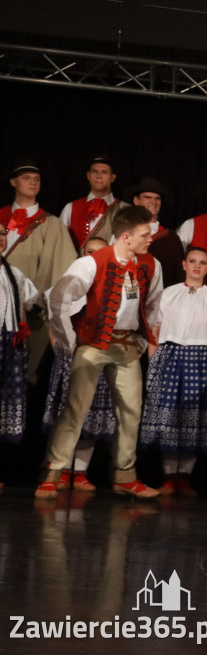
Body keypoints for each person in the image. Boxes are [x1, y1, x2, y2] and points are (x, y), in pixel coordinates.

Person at [37, 205, 164, 499]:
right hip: (93, 343)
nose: (150, 239)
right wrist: (70, 340)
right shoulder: (92, 263)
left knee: (131, 411)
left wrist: (142, 339)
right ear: (125, 236)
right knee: (76, 409)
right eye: (145, 234)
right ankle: (53, 472)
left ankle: (125, 476)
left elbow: (154, 305)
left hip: (125, 345)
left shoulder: (151, 264)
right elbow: (59, 299)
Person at [139, 247, 207, 496]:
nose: (197, 266)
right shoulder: (167, 295)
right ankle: (169, 477)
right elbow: (155, 335)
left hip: (203, 360)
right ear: (184, 264)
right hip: (171, 357)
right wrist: (153, 365)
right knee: (171, 418)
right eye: (192, 261)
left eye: (202, 263)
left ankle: (185, 478)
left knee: (194, 419)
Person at [41, 237, 118, 492]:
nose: (94, 257)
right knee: (67, 412)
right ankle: (59, 469)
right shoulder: (68, 283)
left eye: (100, 252)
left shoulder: (111, 285)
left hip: (97, 353)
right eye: (90, 252)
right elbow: (54, 315)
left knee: (93, 411)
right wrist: (64, 345)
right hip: (70, 355)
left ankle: (81, 471)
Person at [2, 159, 78, 381]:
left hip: (31, 309)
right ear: (13, 182)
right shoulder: (0, 217)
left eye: (37, 179)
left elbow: (62, 270)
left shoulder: (52, 224)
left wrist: (37, 301)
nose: (33, 183)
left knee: (21, 371)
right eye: (26, 178)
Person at [0, 224, 40, 490]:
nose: (0, 239)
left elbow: (35, 299)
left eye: (2, 234)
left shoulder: (13, 274)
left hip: (8, 345)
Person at [59, 155, 128, 251]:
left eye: (104, 172)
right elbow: (59, 243)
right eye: (94, 172)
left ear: (112, 178)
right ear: (88, 176)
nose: (99, 176)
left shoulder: (125, 209)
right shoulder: (71, 207)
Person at [129, 177, 186, 287]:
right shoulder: (124, 233)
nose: (154, 202)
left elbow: (177, 275)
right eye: (148, 197)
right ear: (136, 201)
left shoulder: (171, 238)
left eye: (157, 198)